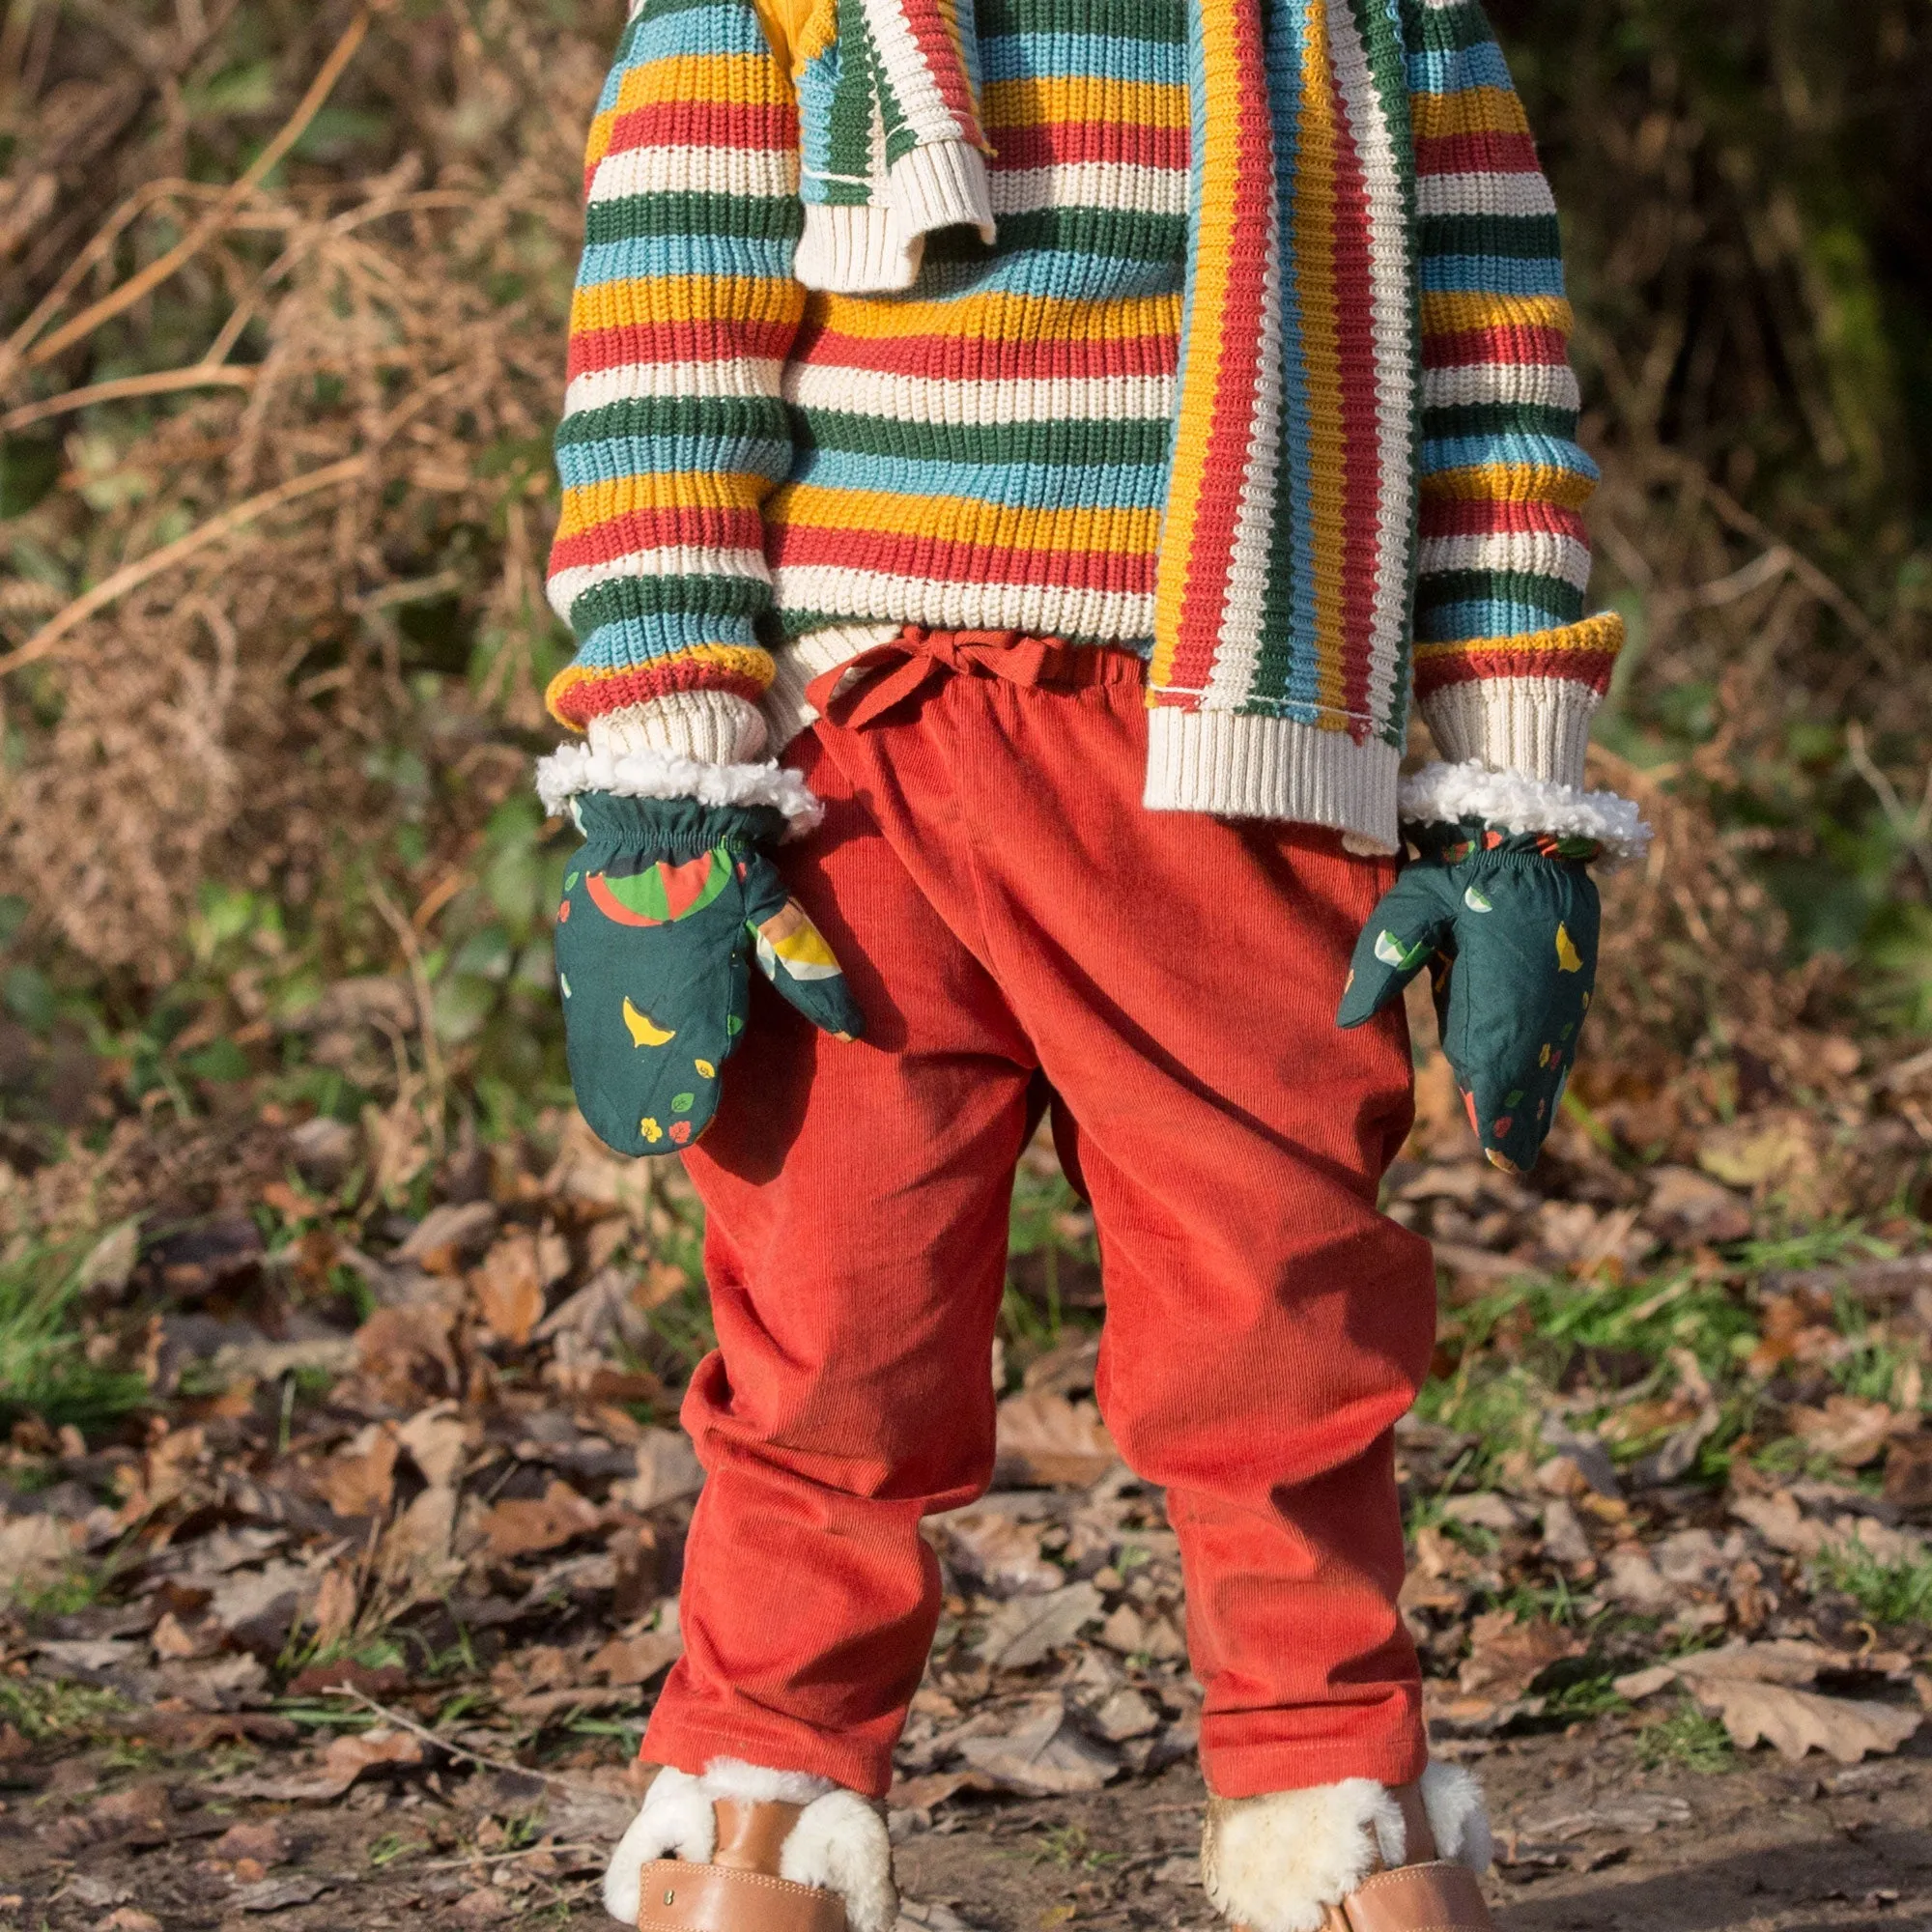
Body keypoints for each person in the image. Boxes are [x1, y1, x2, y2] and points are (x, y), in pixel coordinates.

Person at [535, 0, 1647, 1923]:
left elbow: (1487, 401)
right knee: (829, 1316)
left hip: (1243, 745)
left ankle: (1329, 1789)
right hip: (859, 770)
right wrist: (656, 770)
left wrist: (1512, 788)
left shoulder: (1385, 26)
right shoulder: (775, 14)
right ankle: (760, 1791)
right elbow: (665, 360)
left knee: (1279, 1309)